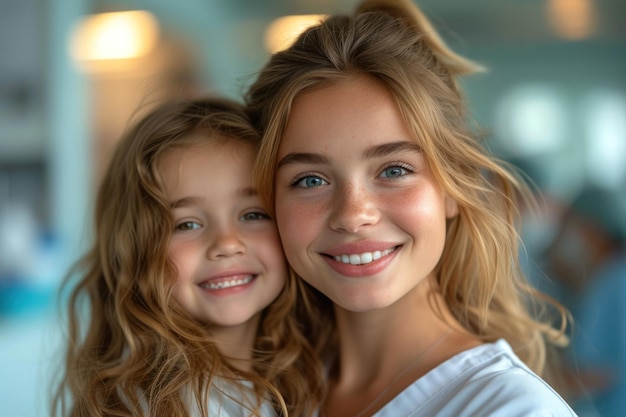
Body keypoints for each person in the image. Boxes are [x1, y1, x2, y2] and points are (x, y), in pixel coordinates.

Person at [245, 0, 576, 415]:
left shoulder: (509, 408)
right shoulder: (263, 393)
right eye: (310, 180)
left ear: (452, 188)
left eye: (394, 170)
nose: (352, 214)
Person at [52, 98, 322, 417]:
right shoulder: (145, 406)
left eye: (253, 215)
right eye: (187, 224)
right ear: (136, 249)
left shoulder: (300, 374)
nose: (226, 243)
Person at [544, 186, 626, 417]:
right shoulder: (608, 276)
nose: (563, 236)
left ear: (592, 230)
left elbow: (600, 372)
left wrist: (538, 382)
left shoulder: (614, 283)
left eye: (569, 226)